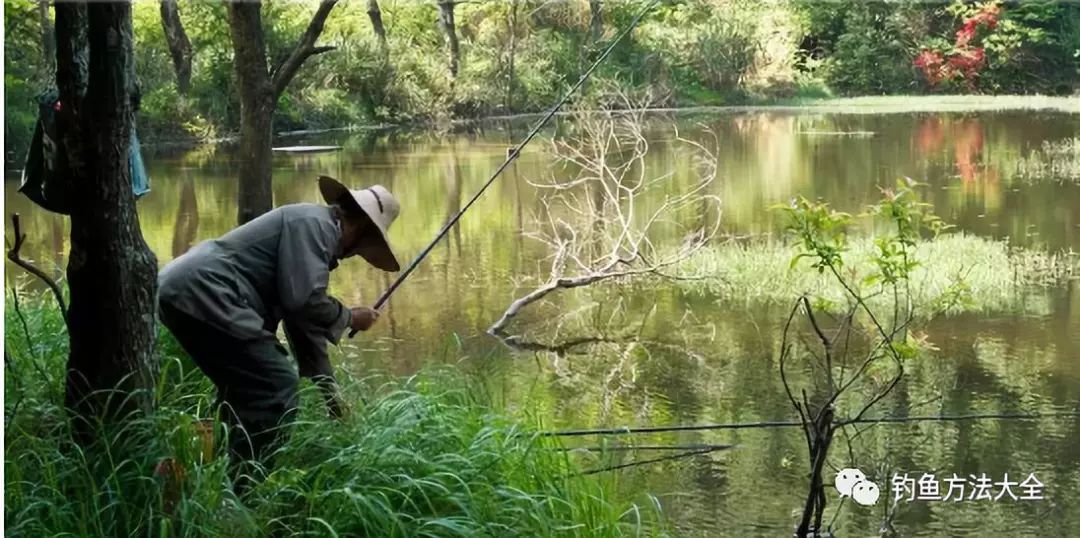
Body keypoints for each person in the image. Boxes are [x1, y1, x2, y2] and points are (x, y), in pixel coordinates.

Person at [157, 176, 400, 490]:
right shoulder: (316, 227)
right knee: (276, 386)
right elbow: (304, 301)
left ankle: (198, 479)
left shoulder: (314, 231)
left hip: (186, 290)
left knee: (243, 391)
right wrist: (350, 317)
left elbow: (302, 323)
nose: (356, 254)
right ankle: (242, 491)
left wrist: (332, 398)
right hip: (207, 291)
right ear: (361, 228)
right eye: (366, 245)